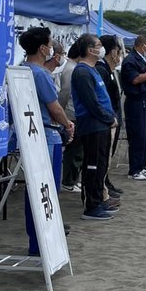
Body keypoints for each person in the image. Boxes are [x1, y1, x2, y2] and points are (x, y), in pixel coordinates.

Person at [19, 27, 76, 255]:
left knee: (34, 189)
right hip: (47, 135)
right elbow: (55, 107)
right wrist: (68, 124)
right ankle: (43, 243)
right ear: (43, 48)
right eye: (50, 43)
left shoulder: (21, 69)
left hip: (30, 134)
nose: (53, 47)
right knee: (47, 190)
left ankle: (36, 241)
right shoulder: (40, 74)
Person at [68, 34, 117, 221]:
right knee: (93, 165)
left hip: (102, 125)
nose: (102, 48)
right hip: (93, 125)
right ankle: (91, 206)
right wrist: (108, 118)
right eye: (98, 45)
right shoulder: (81, 72)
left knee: (101, 165)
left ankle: (98, 200)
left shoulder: (93, 69)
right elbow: (91, 103)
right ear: (89, 50)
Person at [120, 36, 146, 181]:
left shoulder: (144, 58)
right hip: (135, 101)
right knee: (138, 135)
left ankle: (142, 165)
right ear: (141, 45)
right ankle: (134, 169)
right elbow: (135, 79)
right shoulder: (130, 60)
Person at [95, 36, 124, 207]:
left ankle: (106, 182)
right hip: (107, 118)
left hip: (113, 116)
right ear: (112, 51)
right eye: (118, 51)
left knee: (109, 154)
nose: (119, 55)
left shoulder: (109, 69)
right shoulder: (101, 69)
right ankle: (102, 186)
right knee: (103, 156)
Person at [57, 44, 83, 193]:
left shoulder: (74, 68)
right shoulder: (70, 69)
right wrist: (61, 114)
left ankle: (74, 179)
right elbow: (65, 92)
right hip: (71, 114)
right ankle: (68, 181)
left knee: (78, 150)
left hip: (74, 113)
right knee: (73, 150)